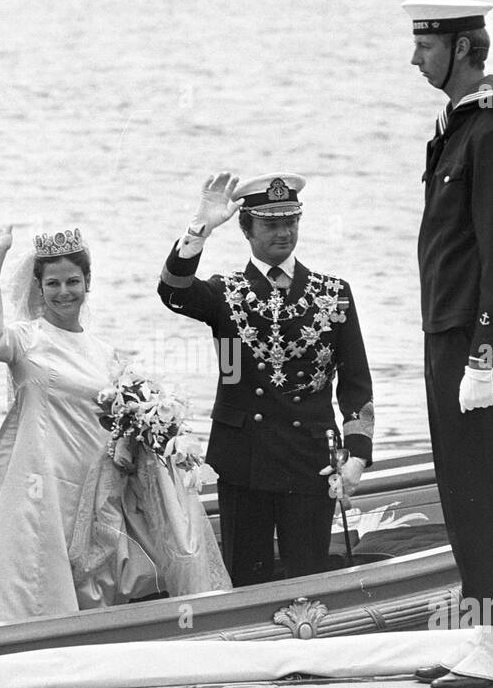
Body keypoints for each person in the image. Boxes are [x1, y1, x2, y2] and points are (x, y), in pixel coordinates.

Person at [0, 211, 228, 626]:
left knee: (96, 579)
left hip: (95, 484)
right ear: (40, 288)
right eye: (54, 283)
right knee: (33, 580)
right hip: (40, 482)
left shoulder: (105, 352)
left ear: (87, 284)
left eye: (73, 282)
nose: (64, 292)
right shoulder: (27, 338)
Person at [401, 0, 493, 688]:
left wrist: (487, 354)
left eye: (426, 47)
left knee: (487, 486)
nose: (415, 59)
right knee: (461, 487)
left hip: (473, 340)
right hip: (445, 330)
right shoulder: (457, 128)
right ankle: (486, 636)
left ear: (462, 48)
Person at [157, 172, 375, 586]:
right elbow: (173, 291)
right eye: (271, 224)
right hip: (245, 460)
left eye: (290, 221)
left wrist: (358, 456)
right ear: (246, 228)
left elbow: (356, 385)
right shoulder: (226, 293)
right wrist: (198, 230)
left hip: (310, 459)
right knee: (245, 579)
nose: (283, 233)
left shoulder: (334, 294)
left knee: (310, 579)